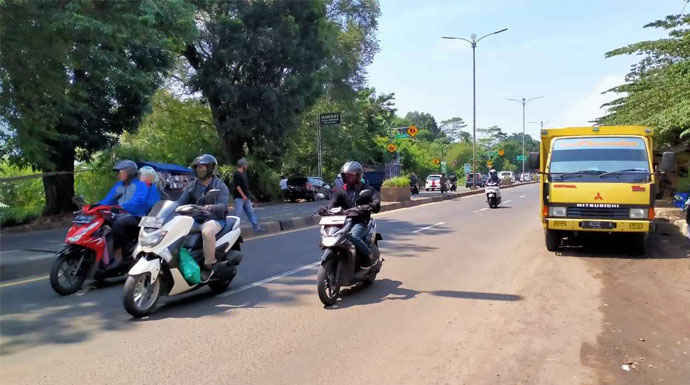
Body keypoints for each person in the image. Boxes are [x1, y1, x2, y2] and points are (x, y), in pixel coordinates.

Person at [177, 154, 230, 280]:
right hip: (195, 219)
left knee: (207, 232)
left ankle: (208, 265)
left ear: (210, 168)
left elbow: (223, 205)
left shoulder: (219, 185)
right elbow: (180, 202)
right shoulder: (192, 186)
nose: (200, 169)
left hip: (214, 219)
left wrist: (210, 207)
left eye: (203, 167)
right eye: (198, 167)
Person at [320, 161, 381, 266]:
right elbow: (332, 203)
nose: (348, 177)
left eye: (351, 175)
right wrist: (325, 209)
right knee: (330, 235)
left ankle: (370, 256)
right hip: (343, 220)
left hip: (361, 221)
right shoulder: (340, 191)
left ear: (358, 175)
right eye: (346, 175)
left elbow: (376, 201)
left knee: (353, 236)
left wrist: (371, 205)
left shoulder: (367, 189)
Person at [98, 160, 150, 270]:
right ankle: (101, 257)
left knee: (118, 224)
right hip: (120, 215)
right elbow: (107, 200)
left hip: (137, 217)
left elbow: (138, 202)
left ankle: (124, 254)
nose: (118, 174)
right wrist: (96, 207)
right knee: (100, 223)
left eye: (121, 172)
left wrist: (121, 207)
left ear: (130, 172)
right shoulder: (118, 186)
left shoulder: (141, 185)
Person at [232, 158, 263, 232]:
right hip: (239, 198)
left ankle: (256, 228)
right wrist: (243, 196)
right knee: (238, 215)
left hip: (246, 197)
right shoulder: (236, 174)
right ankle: (234, 231)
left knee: (251, 213)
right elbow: (238, 187)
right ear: (242, 165)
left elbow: (245, 186)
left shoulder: (244, 173)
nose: (247, 166)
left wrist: (248, 196)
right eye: (246, 165)